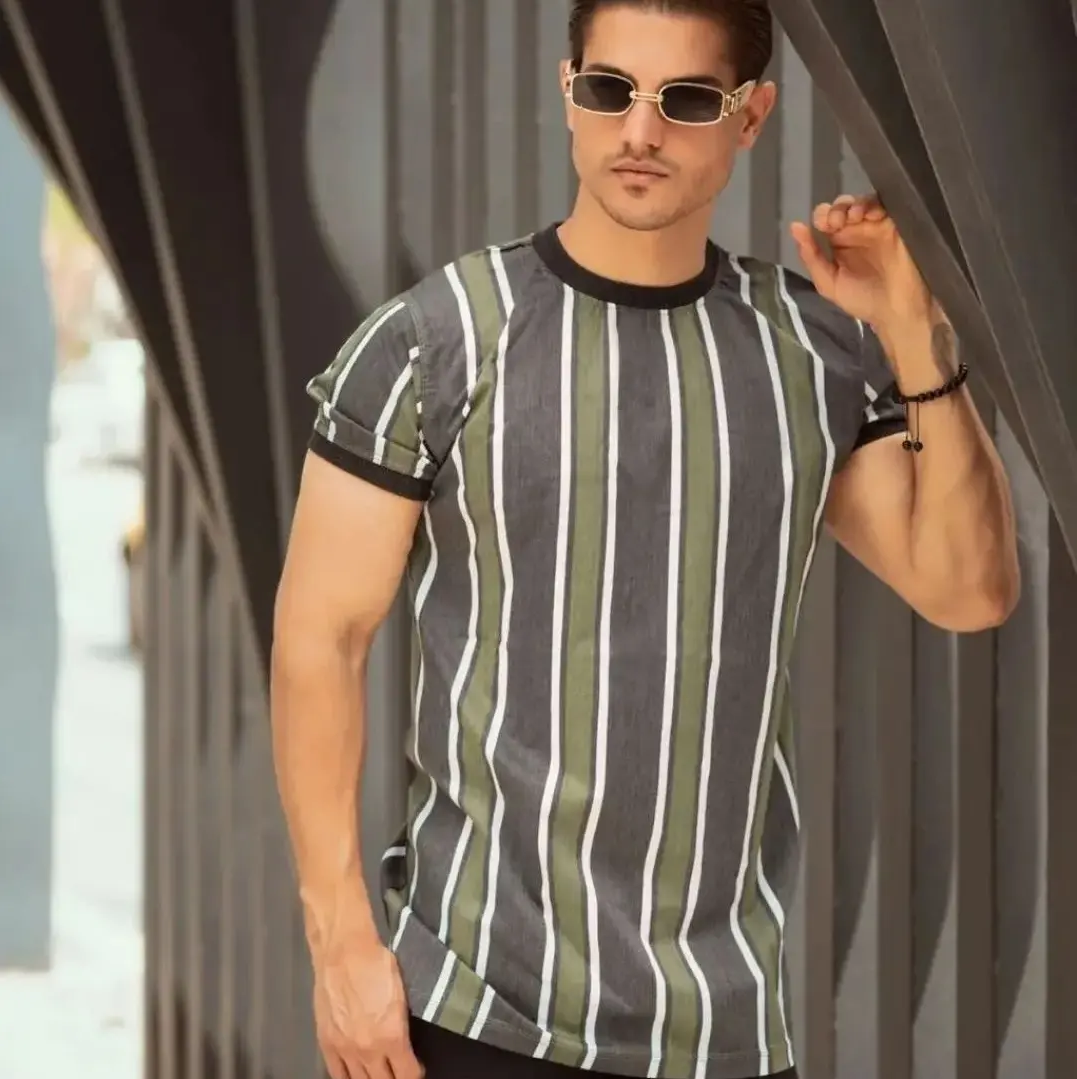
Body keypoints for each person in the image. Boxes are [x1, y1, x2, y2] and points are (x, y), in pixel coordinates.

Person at [270, 1, 1020, 1076]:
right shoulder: (437, 341)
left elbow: (968, 588)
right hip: (473, 1008)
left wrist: (909, 330)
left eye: (687, 100)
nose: (639, 130)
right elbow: (320, 638)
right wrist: (340, 940)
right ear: (567, 89)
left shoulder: (807, 352)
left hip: (722, 1030)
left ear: (750, 117)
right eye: (609, 89)